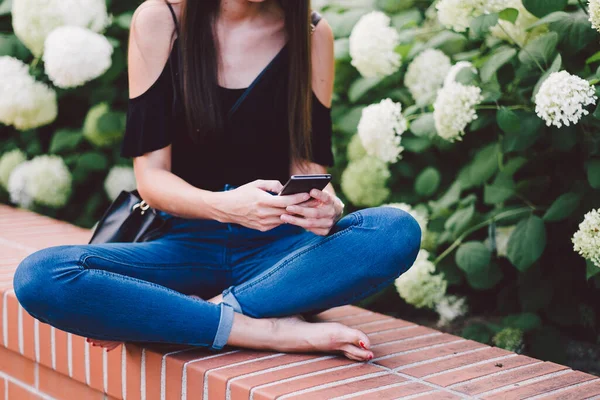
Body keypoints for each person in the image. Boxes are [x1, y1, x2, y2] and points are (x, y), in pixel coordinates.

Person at [13, 0, 421, 362]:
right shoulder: (161, 20)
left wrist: (326, 204)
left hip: (279, 252)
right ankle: (266, 329)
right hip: (183, 247)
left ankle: (205, 314)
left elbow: (307, 165)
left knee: (393, 230)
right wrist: (226, 206)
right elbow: (152, 177)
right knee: (44, 275)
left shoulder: (312, 32)